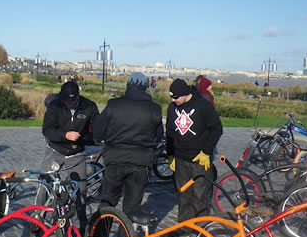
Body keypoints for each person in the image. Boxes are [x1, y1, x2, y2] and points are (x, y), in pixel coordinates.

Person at [93, 72, 163, 218]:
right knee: (132, 208)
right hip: (141, 162)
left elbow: (98, 131)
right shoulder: (155, 109)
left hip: (115, 159)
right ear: (145, 87)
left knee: (107, 203)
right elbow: (158, 137)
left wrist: (105, 140)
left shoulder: (114, 105)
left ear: (128, 85)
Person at [41, 80, 99, 236]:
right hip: (55, 150)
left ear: (78, 97)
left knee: (81, 190)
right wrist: (64, 135)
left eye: (71, 101)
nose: (68, 104)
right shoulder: (55, 106)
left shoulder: (89, 107)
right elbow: (47, 130)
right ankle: (38, 220)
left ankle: (81, 226)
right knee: (44, 184)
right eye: (66, 101)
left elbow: (97, 132)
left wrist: (83, 138)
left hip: (77, 153)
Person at [166, 78, 222, 224]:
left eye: (176, 97)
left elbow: (216, 129)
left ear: (185, 94)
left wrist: (206, 151)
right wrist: (170, 154)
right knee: (183, 194)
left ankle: (199, 229)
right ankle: (184, 225)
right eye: (171, 97)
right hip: (180, 158)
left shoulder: (203, 106)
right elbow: (170, 133)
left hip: (198, 158)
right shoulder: (172, 108)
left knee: (199, 196)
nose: (173, 100)